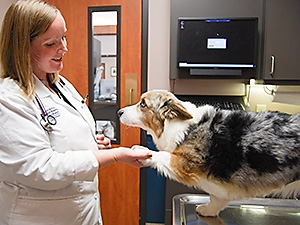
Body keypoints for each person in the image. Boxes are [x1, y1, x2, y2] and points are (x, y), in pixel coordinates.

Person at [0, 0, 152, 224]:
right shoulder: (9, 99)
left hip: (80, 213)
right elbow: (42, 168)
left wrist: (91, 143)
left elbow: (61, 138)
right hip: (39, 217)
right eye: (51, 43)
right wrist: (116, 155)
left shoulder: (60, 84)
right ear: (23, 46)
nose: (64, 48)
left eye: (64, 37)